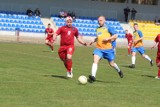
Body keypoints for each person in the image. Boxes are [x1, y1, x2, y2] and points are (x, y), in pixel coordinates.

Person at [88, 16, 123, 83]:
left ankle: (118, 70)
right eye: (98, 21)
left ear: (104, 20)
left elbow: (116, 35)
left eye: (100, 20)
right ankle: (93, 76)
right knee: (95, 60)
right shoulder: (97, 29)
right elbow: (98, 37)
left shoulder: (108, 27)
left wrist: (108, 39)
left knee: (111, 64)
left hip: (108, 50)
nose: (99, 22)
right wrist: (93, 41)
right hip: (99, 49)